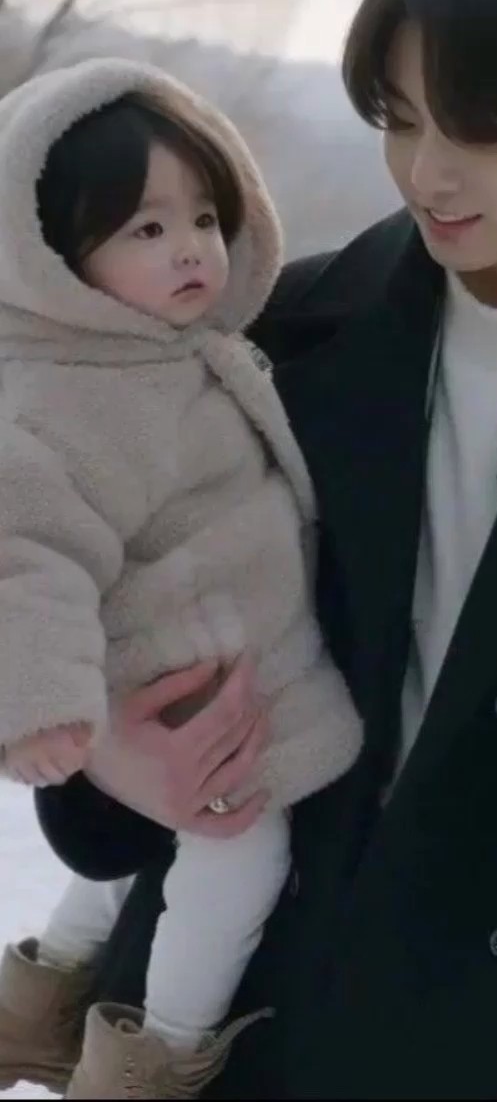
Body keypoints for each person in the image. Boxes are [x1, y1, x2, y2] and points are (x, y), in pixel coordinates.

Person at [33, 0, 497, 1099]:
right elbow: (116, 606)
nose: (427, 171)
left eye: (481, 127)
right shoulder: (273, 344)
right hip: (232, 1037)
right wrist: (116, 760)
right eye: (401, 119)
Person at [0, 59, 362, 1099]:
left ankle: (39, 998)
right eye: (146, 229)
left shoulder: (164, 353)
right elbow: (25, 554)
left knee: (143, 861)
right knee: (240, 858)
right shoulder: (62, 398)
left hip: (211, 660)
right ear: (58, 260)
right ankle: (153, 1058)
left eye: (203, 216)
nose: (193, 247)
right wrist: (42, 707)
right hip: (195, 689)